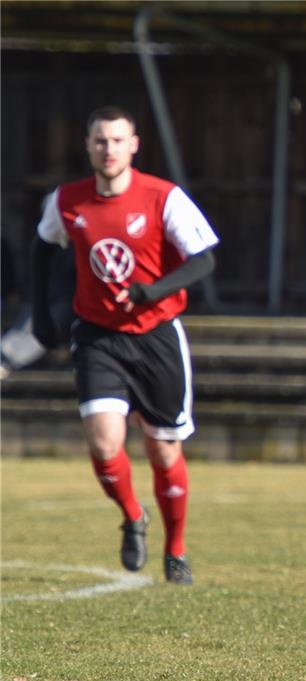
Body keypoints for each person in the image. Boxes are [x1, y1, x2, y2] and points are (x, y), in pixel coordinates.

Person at [32, 105, 219, 586]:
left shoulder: (163, 197)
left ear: (134, 145)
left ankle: (175, 550)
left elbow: (202, 262)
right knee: (103, 440)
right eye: (99, 140)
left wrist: (151, 291)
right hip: (97, 335)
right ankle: (133, 516)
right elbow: (43, 249)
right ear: (88, 146)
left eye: (117, 140)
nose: (108, 149)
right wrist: (41, 316)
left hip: (157, 335)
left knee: (163, 452)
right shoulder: (67, 201)